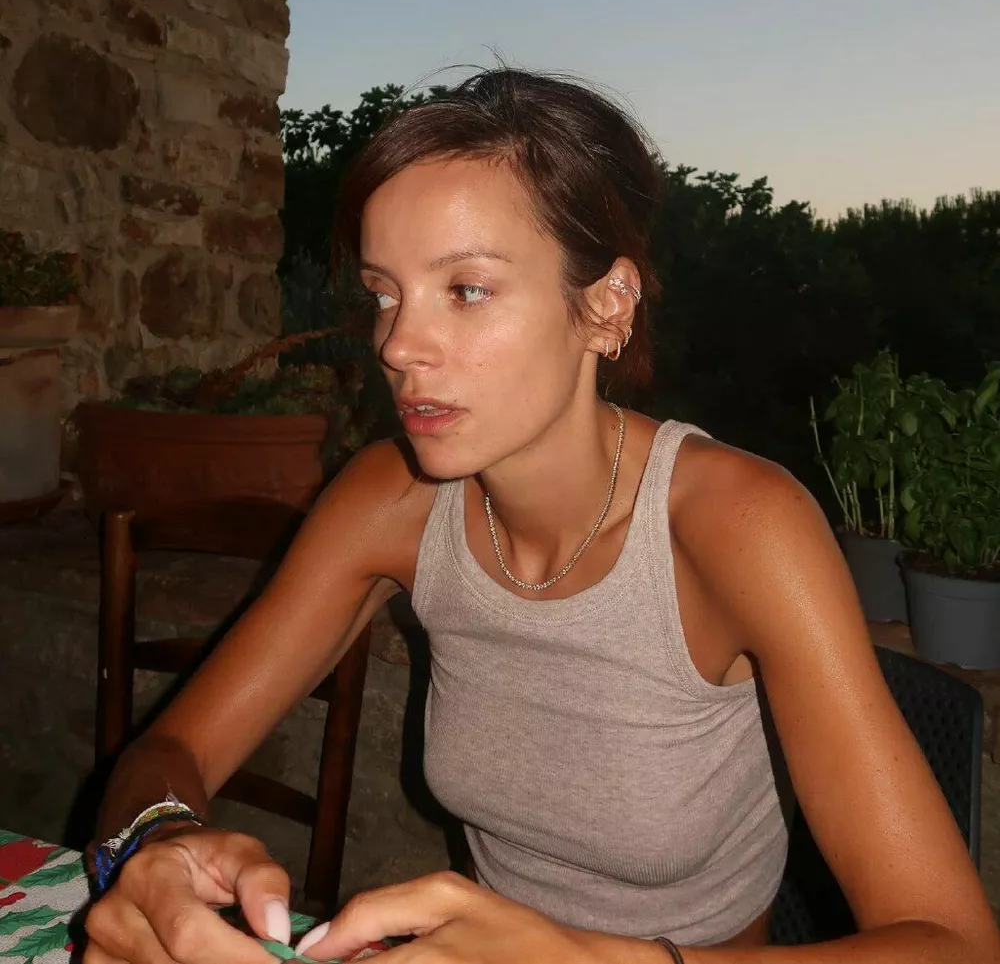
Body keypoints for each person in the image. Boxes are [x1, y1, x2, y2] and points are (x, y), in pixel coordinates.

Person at [84, 69, 999, 964]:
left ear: (605, 305)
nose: (397, 344)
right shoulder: (391, 501)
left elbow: (955, 943)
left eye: (466, 289)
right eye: (384, 293)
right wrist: (160, 840)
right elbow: (168, 746)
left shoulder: (738, 526)